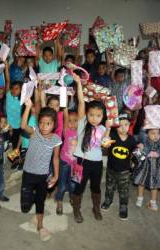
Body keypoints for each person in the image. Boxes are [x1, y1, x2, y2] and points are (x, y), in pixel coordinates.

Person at [20, 98, 61, 241]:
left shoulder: (56, 139)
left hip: (43, 175)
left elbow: (56, 158)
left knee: (40, 201)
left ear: (54, 125)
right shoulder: (34, 133)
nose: (44, 126)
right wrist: (28, 107)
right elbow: (23, 124)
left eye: (48, 123)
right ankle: (32, 210)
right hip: (28, 173)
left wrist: (56, 176)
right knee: (25, 205)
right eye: (42, 123)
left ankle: (40, 225)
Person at [71, 74, 109, 223]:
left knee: (96, 187)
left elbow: (105, 144)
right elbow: (81, 101)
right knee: (79, 187)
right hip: (81, 161)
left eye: (98, 115)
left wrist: (109, 128)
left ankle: (96, 208)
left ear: (102, 116)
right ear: (87, 114)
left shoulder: (103, 127)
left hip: (97, 163)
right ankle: (76, 210)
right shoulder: (82, 123)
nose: (94, 118)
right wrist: (79, 84)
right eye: (91, 114)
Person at [101, 113, 138, 220]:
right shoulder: (113, 135)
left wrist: (140, 148)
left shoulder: (131, 140)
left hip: (124, 171)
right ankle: (108, 200)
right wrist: (108, 128)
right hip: (111, 169)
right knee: (109, 187)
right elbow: (104, 143)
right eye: (120, 125)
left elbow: (135, 154)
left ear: (129, 125)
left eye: (126, 124)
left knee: (124, 190)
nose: (123, 127)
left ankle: (123, 206)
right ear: (116, 126)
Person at [133, 129, 160, 211]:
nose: (156, 135)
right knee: (141, 182)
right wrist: (140, 148)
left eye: (158, 133)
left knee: (155, 185)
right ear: (147, 135)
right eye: (153, 133)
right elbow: (141, 134)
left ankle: (153, 202)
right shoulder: (145, 141)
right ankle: (140, 198)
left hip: (157, 168)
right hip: (145, 167)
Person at [55, 110, 78, 215]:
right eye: (70, 121)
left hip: (76, 164)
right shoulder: (66, 131)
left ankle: (72, 197)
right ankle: (59, 201)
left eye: (75, 121)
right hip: (64, 161)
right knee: (62, 185)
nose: (72, 123)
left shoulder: (80, 132)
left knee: (73, 184)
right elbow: (65, 116)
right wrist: (65, 108)